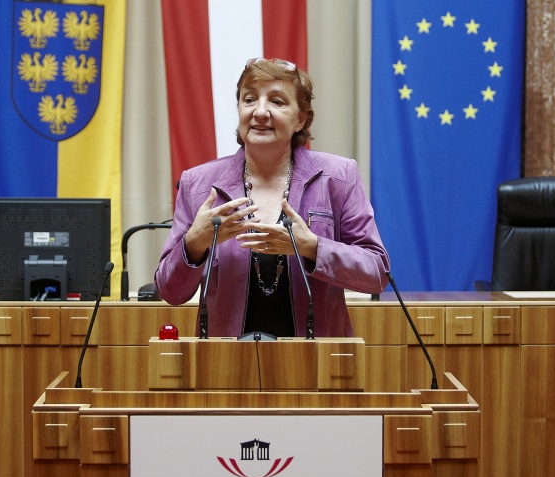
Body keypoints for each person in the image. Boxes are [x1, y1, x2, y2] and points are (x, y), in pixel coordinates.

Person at [155, 58, 389, 338]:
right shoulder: (199, 184)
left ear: (301, 119)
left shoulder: (337, 177)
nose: (260, 112)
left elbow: (376, 274)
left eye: (277, 102)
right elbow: (170, 292)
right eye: (249, 99)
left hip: (318, 366)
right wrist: (195, 244)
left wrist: (313, 248)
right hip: (224, 366)